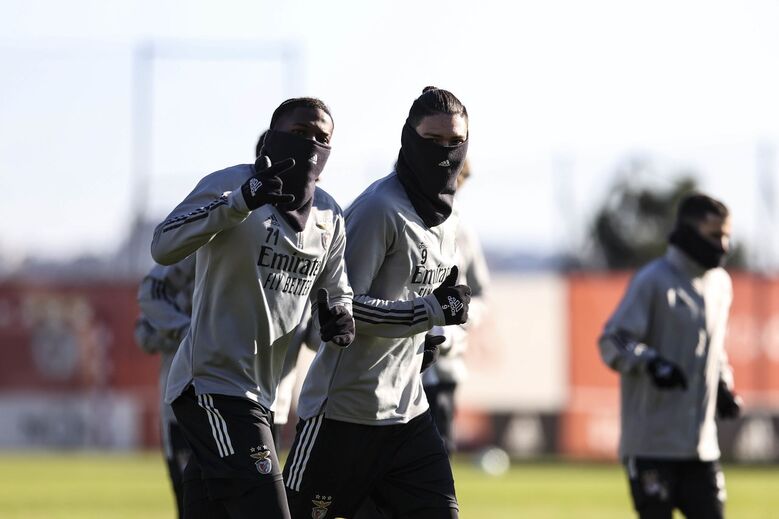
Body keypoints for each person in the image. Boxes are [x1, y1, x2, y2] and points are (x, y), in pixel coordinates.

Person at [151, 97, 355, 519]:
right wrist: (238, 202)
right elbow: (163, 244)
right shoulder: (231, 183)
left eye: (321, 138)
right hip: (211, 385)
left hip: (267, 396)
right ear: (274, 135)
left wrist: (339, 318)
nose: (311, 144)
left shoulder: (329, 215)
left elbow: (336, 293)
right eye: (299, 133)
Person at [283, 87, 471, 519]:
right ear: (408, 139)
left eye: (455, 142)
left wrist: (425, 339)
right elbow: (339, 307)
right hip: (344, 414)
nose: (445, 153)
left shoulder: (450, 217)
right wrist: (427, 313)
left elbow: (420, 297)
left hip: (409, 414)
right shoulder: (378, 209)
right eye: (432, 141)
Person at [598, 193, 743, 519]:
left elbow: (714, 347)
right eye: (714, 235)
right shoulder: (653, 280)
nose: (723, 245)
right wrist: (650, 362)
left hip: (701, 448)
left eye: (726, 236)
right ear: (689, 232)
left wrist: (722, 384)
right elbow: (613, 339)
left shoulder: (720, 284)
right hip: (651, 446)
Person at [422, 159, 490, 455]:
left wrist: (460, 319)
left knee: (438, 452)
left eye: (461, 179)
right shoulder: (391, 214)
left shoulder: (463, 230)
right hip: (396, 362)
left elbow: (481, 292)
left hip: (444, 365)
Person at [134, 254, 196, 518]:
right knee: (183, 491)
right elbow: (143, 334)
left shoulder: (225, 278)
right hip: (176, 400)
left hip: (223, 398)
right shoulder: (166, 291)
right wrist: (186, 334)